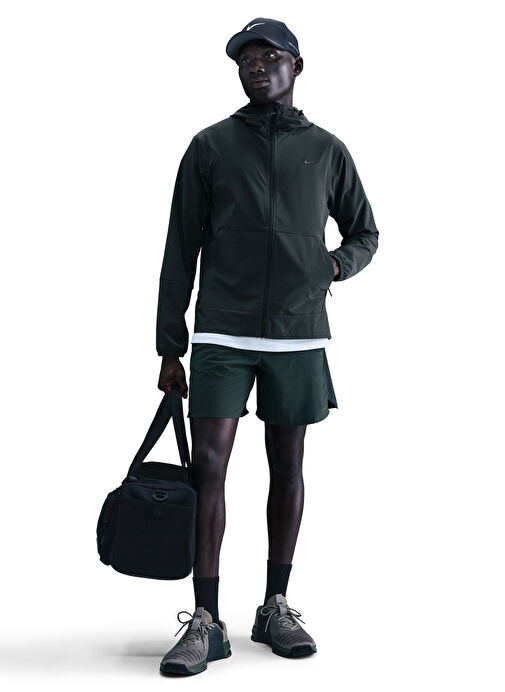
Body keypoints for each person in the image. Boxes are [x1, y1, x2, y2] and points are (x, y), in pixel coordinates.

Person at [157, 18, 379, 676]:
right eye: (245, 59)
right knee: (209, 468)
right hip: (221, 331)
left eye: (268, 56)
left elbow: (365, 232)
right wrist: (169, 344)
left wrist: (332, 266)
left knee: (288, 464)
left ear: (296, 66)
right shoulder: (210, 146)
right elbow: (179, 248)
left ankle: (274, 606)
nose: (255, 66)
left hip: (297, 331)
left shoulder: (327, 150)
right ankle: (205, 619)